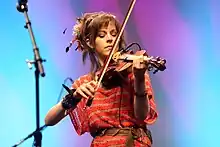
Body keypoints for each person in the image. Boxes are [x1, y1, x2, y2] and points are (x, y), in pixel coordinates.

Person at [45, 11, 158, 147]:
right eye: (102, 35)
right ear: (90, 42)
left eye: (114, 34)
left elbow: (141, 115)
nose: (110, 39)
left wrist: (139, 79)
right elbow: (49, 120)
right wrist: (73, 97)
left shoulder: (132, 72)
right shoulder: (84, 83)